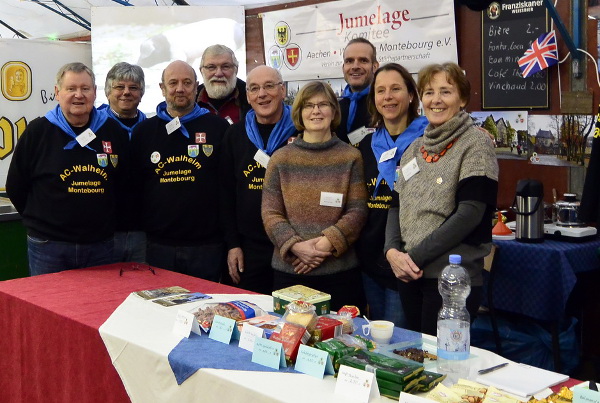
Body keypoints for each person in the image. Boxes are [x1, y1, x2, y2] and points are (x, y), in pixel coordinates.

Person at [384, 62, 498, 334]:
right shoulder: (414, 149)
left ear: (462, 99)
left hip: (450, 279)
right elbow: (395, 204)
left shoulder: (476, 144)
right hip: (410, 274)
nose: (436, 100)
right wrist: (391, 252)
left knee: (442, 366)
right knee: (418, 359)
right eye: (429, 92)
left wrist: (412, 257)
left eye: (445, 92)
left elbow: (469, 214)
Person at [6, 62, 129, 275]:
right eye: (71, 89)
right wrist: (42, 222)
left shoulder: (113, 131)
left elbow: (125, 183)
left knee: (96, 307)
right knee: (47, 306)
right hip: (48, 246)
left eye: (85, 88)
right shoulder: (38, 131)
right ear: (57, 93)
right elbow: (16, 185)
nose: (78, 95)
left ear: (95, 92)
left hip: (100, 246)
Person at [262, 81, 368, 311]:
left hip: (339, 274)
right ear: (299, 113)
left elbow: (357, 211)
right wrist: (296, 247)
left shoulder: (351, 157)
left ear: (334, 111)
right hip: (291, 272)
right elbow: (270, 213)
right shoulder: (281, 159)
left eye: (323, 104)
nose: (316, 111)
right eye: (308, 105)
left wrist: (324, 245)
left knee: (344, 343)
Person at [130, 60, 229, 281]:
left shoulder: (218, 128)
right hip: (158, 246)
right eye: (173, 83)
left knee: (206, 311)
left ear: (197, 87)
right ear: (162, 88)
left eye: (187, 82)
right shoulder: (144, 132)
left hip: (207, 247)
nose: (180, 89)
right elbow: (135, 188)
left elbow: (228, 186)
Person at [356, 63, 428, 326]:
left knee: (399, 345)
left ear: (410, 95)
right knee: (378, 338)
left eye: (395, 89)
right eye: (380, 90)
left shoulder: (428, 139)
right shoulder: (367, 145)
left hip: (408, 258)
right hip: (371, 258)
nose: (387, 97)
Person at [219, 65, 297, 294]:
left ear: (283, 91)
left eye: (269, 86)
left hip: (293, 247)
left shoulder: (302, 129)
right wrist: (233, 245)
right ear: (248, 97)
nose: (262, 93)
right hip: (249, 249)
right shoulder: (235, 135)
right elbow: (225, 194)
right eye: (254, 88)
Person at [98, 62, 147, 263]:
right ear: (108, 92)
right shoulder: (93, 128)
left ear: (141, 93)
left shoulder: (151, 130)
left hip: (142, 232)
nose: (126, 93)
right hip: (103, 233)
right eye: (119, 87)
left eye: (133, 88)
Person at [337, 38, 379, 144]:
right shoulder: (333, 108)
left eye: (363, 60)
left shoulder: (384, 105)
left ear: (374, 66)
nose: (355, 66)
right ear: (343, 67)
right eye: (349, 61)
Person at [197, 44, 250, 124]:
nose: (218, 73)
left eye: (225, 66)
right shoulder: (191, 99)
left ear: (236, 70)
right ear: (201, 71)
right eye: (211, 67)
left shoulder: (251, 98)